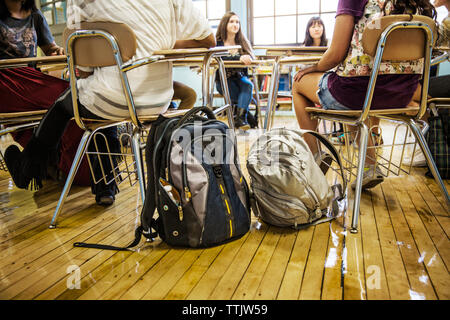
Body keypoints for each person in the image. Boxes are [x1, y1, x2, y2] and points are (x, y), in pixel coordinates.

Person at [3, 0, 215, 203]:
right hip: (160, 100)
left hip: (109, 98)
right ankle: (106, 185)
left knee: (74, 103)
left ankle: (27, 169)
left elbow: (82, 67)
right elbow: (209, 41)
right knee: (98, 96)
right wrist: (155, 45)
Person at [292, 0, 437, 189]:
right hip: (401, 94)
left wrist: (314, 67)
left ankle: (316, 154)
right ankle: (370, 166)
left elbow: (335, 54)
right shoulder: (415, 2)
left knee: (298, 83)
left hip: (356, 92)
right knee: (361, 99)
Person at [0, 0, 118, 205]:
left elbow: (50, 49)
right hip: (6, 82)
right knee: (77, 97)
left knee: (77, 101)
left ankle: (40, 167)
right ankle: (46, 167)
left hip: (30, 80)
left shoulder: (35, 16)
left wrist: (58, 51)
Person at [215, 11, 256, 130]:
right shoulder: (218, 42)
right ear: (224, 24)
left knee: (248, 85)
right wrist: (239, 57)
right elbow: (219, 57)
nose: (235, 24)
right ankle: (244, 115)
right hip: (224, 80)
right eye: (231, 22)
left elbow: (251, 57)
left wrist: (248, 58)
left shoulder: (242, 42)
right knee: (241, 95)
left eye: (237, 22)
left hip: (240, 78)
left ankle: (240, 119)